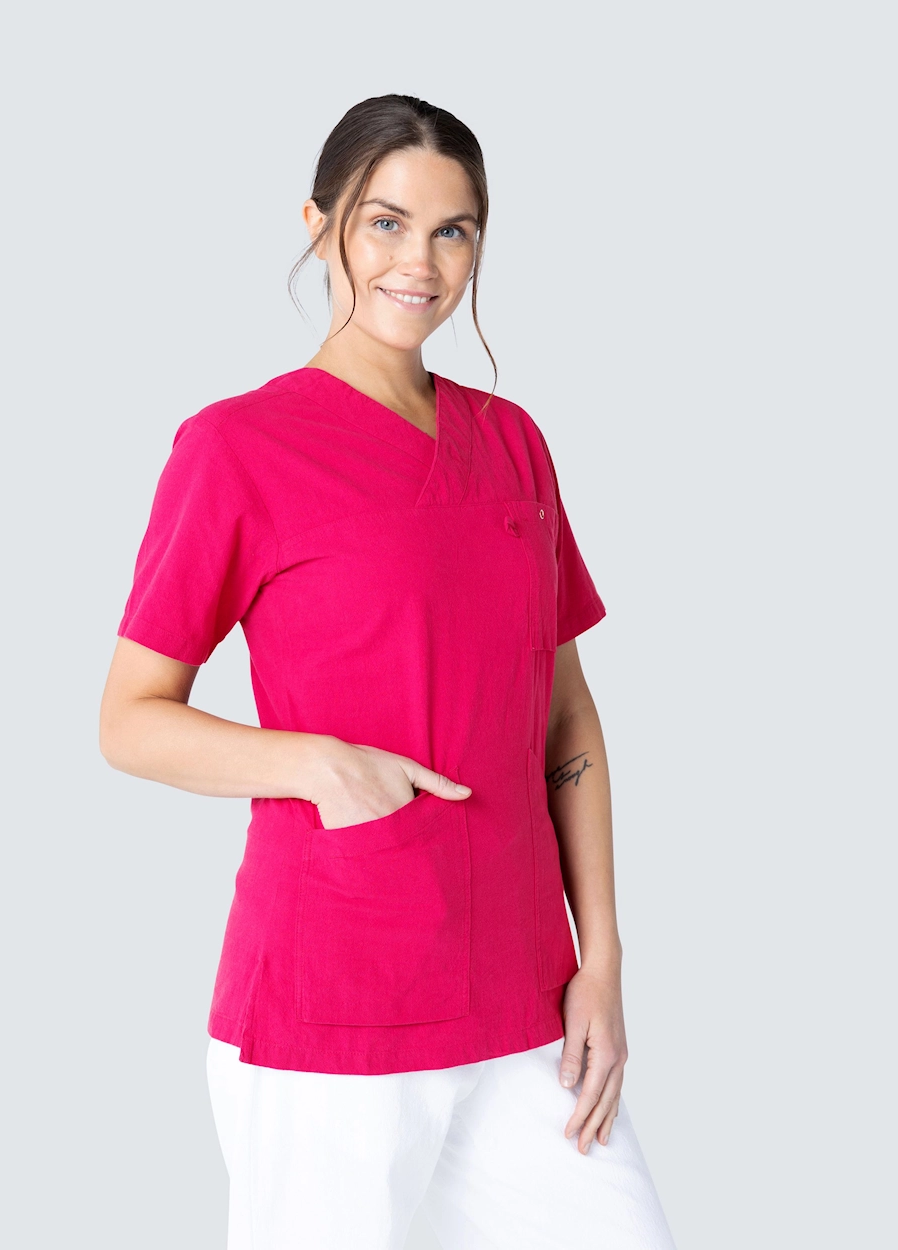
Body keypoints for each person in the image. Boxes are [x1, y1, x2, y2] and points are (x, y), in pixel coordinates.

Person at [100, 94, 677, 1250]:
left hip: (523, 997)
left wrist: (601, 959)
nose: (420, 262)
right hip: (335, 1001)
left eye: (452, 230)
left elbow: (564, 713)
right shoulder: (236, 448)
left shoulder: (511, 442)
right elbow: (131, 718)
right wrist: (318, 763)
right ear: (319, 227)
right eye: (385, 223)